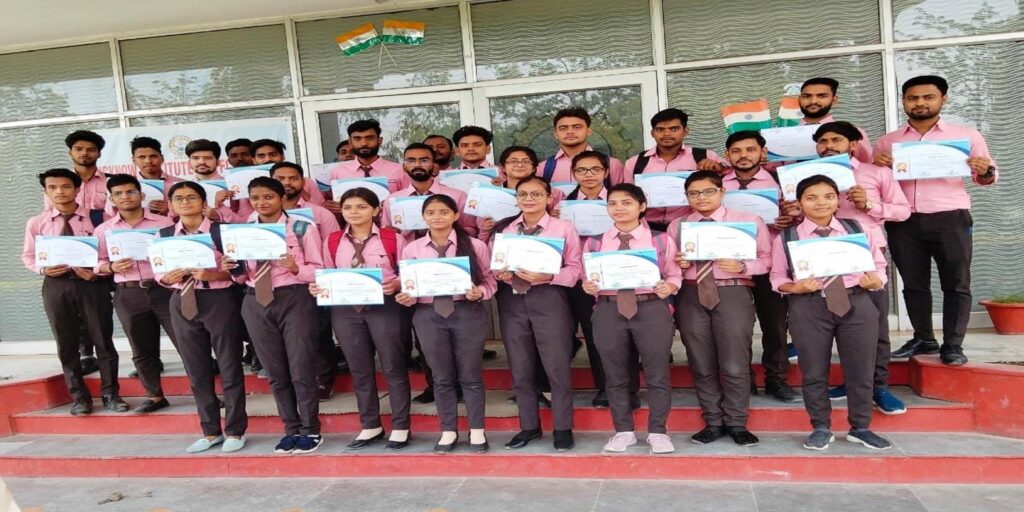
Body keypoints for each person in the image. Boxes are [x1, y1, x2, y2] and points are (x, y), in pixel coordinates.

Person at [873, 75, 997, 366]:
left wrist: (985, 170)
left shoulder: (965, 136)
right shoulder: (888, 142)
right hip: (904, 220)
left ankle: (953, 345)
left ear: (943, 99)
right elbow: (878, 183)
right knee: (913, 284)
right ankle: (924, 338)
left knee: (956, 282)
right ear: (904, 101)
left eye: (928, 97)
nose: (920, 103)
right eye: (913, 98)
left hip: (950, 217)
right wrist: (878, 166)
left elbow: (987, 176)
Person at [770, 175, 891, 451]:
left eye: (828, 196)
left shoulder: (858, 228)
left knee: (861, 369)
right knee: (813, 370)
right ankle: (820, 427)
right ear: (799, 203)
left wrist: (876, 280)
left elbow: (879, 266)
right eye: (811, 197)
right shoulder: (787, 237)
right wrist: (795, 286)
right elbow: (777, 278)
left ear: (838, 199)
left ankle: (860, 427)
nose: (821, 203)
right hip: (810, 305)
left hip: (857, 302)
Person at [812, 121, 911, 414]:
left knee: (874, 325)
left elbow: (903, 211)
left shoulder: (876, 173)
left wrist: (870, 205)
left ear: (854, 144)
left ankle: (877, 386)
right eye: (822, 141)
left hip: (865, 258)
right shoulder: (809, 177)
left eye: (836, 139)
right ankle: (851, 382)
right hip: (821, 258)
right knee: (838, 323)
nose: (828, 145)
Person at [667, 170, 771, 446]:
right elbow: (667, 267)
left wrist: (743, 266)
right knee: (700, 360)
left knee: (735, 360)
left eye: (708, 191)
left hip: (732, 290)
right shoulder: (677, 226)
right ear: (687, 196)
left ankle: (737, 422)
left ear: (722, 192)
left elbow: (767, 259)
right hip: (691, 293)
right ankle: (713, 421)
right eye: (694, 193)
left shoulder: (748, 222)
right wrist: (679, 263)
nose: (701, 198)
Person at [223, 177, 325, 454]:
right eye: (255, 198)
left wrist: (294, 267)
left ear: (282, 198)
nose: (261, 202)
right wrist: (232, 268)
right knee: (274, 369)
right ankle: (290, 428)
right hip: (256, 300)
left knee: (300, 365)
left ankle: (310, 429)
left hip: (295, 297)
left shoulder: (303, 228)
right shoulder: (241, 232)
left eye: (268, 197)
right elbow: (242, 275)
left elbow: (319, 269)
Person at [582, 183, 681, 454]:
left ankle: (658, 431)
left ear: (642, 206)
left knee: (657, 372)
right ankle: (623, 430)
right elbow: (588, 279)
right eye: (612, 203)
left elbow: (674, 274)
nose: (619, 208)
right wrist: (588, 286)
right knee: (614, 374)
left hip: (651, 309)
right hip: (609, 309)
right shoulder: (595, 242)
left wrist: (669, 287)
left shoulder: (660, 240)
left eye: (626, 202)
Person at [311, 187, 412, 450]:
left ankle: (401, 426)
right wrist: (318, 286)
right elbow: (326, 273)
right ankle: (370, 425)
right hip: (346, 310)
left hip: (385, 307)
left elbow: (407, 272)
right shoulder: (332, 240)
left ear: (376, 210)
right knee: (360, 369)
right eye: (348, 208)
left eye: (361, 207)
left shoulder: (392, 239)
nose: (354, 212)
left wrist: (398, 283)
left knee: (393, 366)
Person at [395, 194, 497, 453]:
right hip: (428, 315)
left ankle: (477, 431)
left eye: (443, 212)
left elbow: (490, 281)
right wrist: (405, 297)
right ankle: (448, 430)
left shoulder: (475, 245)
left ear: (455, 215)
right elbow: (409, 288)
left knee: (471, 376)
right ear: (424, 217)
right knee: (441, 378)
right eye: (431, 213)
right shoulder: (412, 249)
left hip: (467, 313)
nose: (437, 217)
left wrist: (480, 293)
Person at [23, 168, 125, 416]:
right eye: (53, 187)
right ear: (46, 192)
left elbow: (111, 252)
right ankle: (79, 397)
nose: (60, 191)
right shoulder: (37, 223)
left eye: (66, 186)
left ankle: (111, 393)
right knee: (66, 342)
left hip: (91, 284)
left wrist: (97, 272)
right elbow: (28, 256)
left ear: (77, 189)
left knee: (102, 338)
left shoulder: (98, 218)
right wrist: (43, 269)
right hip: (56, 285)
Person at [490, 176, 582, 452]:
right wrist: (502, 274)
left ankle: (563, 428)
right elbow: (494, 268)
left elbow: (576, 269)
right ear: (516, 199)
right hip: (513, 302)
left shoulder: (563, 228)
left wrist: (549, 275)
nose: (529, 199)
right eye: (523, 195)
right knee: (520, 367)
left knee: (556, 367)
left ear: (549, 197)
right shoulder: (505, 229)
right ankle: (528, 427)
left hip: (549, 298)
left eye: (536, 194)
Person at [155, 181, 247, 453]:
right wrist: (166, 278)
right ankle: (209, 431)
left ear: (202, 202)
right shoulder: (164, 234)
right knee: (196, 369)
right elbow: (159, 272)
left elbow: (240, 273)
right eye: (179, 198)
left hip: (218, 299)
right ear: (171, 204)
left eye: (191, 197)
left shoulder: (222, 233)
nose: (185, 202)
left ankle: (234, 429)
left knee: (229, 364)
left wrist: (214, 274)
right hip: (181, 299)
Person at [551, 150, 640, 409]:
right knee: (591, 335)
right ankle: (603, 388)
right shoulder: (560, 207)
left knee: (621, 335)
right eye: (581, 170)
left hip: (613, 276)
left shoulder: (620, 201)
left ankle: (629, 389)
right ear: (573, 174)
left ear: (606, 172)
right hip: (576, 277)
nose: (588, 175)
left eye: (595, 170)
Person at [720, 130, 801, 403]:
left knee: (775, 324)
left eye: (750, 149)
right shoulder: (717, 183)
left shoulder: (783, 181)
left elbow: (803, 218)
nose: (743, 155)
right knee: (735, 326)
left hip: (771, 260)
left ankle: (776, 378)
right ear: (727, 154)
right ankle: (742, 380)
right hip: (728, 264)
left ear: (762, 153)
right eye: (737, 150)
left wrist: (790, 219)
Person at [94, 174, 176, 413]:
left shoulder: (163, 224)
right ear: (111, 199)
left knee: (185, 342)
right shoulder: (104, 230)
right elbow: (96, 262)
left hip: (164, 289)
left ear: (141, 195)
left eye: (130, 192)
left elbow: (177, 252)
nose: (125, 197)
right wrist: (110, 267)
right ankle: (155, 395)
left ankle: (204, 393)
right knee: (141, 348)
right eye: (118, 193)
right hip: (128, 293)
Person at [269, 161, 342, 400]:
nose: (287, 183)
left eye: (293, 178)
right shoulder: (255, 217)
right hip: (274, 285)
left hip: (313, 279)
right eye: (280, 179)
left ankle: (324, 379)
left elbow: (332, 246)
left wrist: (327, 281)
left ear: (303, 182)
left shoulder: (321, 213)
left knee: (319, 332)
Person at [623, 108, 727, 232]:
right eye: (660, 129)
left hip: (691, 227)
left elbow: (733, 174)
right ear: (652, 133)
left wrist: (719, 168)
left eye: (674, 129)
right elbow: (627, 197)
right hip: (647, 229)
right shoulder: (635, 162)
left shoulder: (704, 156)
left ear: (686, 131)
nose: (666, 134)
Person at [382, 143, 475, 241]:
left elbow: (472, 230)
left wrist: (446, 228)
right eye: (411, 161)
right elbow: (386, 232)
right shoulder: (392, 200)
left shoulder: (457, 196)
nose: (417, 164)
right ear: (404, 168)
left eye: (424, 160)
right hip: (407, 253)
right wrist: (391, 233)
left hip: (449, 253)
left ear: (435, 167)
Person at [477, 146, 562, 243]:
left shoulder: (554, 193)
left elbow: (563, 224)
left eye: (526, 161)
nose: (520, 165)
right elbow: (483, 238)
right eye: (513, 161)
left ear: (534, 168)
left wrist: (553, 218)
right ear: (503, 168)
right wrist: (486, 229)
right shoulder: (490, 196)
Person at [326, 119, 410, 217]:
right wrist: (332, 206)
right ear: (350, 142)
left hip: (391, 228)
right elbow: (335, 205)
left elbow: (408, 202)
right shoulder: (339, 171)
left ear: (380, 141)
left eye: (369, 138)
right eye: (357, 138)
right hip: (353, 229)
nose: (364, 143)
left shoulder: (399, 170)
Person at [538, 107, 626, 185]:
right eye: (563, 128)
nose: (570, 132)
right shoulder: (543, 168)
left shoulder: (611, 164)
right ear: (556, 134)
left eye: (577, 127)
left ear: (589, 131)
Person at [797, 78, 872, 163]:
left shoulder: (853, 132)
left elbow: (866, 167)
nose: (813, 101)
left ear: (834, 100)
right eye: (806, 96)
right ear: (799, 99)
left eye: (822, 96)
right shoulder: (782, 134)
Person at [44, 130, 109, 212]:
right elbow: (50, 213)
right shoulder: (56, 183)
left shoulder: (111, 182)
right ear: (70, 153)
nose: (84, 153)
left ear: (99, 154)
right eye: (79, 149)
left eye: (91, 150)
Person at [184, 139, 245, 223]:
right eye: (196, 158)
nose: (201, 162)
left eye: (208, 158)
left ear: (217, 162)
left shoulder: (233, 185)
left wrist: (219, 215)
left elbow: (245, 221)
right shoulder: (183, 188)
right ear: (189, 163)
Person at [250, 139, 323, 206]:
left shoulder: (306, 182)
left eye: (273, 155)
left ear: (282, 156)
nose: (268, 159)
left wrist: (300, 189)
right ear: (254, 160)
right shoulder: (249, 184)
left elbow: (320, 207)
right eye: (261, 156)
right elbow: (245, 216)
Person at [130, 136, 179, 216]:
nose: (148, 161)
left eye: (153, 156)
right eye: (142, 157)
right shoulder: (125, 186)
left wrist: (171, 208)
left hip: (172, 227)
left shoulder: (180, 184)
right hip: (137, 227)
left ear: (162, 158)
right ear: (133, 160)